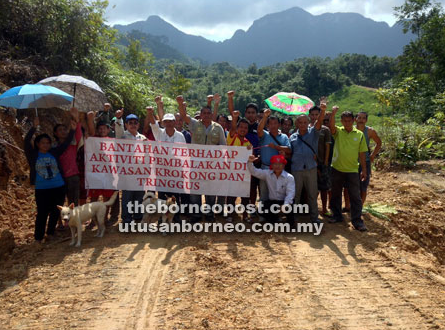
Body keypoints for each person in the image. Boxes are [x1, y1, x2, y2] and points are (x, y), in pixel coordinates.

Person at [25, 116, 76, 242]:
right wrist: (33, 127)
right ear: (37, 144)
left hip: (59, 187)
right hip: (42, 189)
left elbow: (66, 143)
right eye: (43, 143)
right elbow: (26, 142)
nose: (46, 145)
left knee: (54, 212)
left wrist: (73, 131)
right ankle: (38, 237)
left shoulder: (54, 152)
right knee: (42, 213)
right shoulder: (33, 155)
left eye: (48, 143)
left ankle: (51, 233)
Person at [177, 95, 226, 222]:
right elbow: (183, 116)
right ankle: (196, 215)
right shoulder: (194, 124)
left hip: (212, 165)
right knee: (195, 190)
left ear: (211, 115)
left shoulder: (218, 127)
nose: (206, 115)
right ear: (201, 114)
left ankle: (210, 214)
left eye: (208, 113)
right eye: (204, 113)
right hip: (195, 165)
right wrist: (180, 103)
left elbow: (223, 146)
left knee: (211, 190)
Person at [328, 107, 368, 231]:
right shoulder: (338, 132)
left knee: (355, 196)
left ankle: (357, 221)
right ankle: (337, 215)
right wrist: (333, 114)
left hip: (352, 170)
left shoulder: (359, 134)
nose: (347, 123)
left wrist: (364, 170)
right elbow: (331, 127)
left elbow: (362, 153)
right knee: (335, 194)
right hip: (337, 168)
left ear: (353, 120)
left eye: (349, 121)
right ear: (341, 121)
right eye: (344, 121)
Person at [290, 103, 326, 224]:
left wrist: (323, 110)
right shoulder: (292, 137)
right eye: (300, 122)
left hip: (311, 168)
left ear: (308, 122)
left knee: (312, 194)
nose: (303, 124)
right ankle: (294, 219)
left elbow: (319, 122)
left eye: (305, 122)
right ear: (297, 124)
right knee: (296, 195)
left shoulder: (313, 133)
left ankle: (314, 218)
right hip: (296, 169)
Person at [85, 112, 119, 225]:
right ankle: (93, 220)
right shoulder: (93, 139)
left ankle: (103, 219)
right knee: (94, 198)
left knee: (107, 198)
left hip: (109, 175)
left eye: (104, 128)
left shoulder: (112, 141)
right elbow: (90, 131)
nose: (102, 130)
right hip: (96, 174)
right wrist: (90, 119)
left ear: (108, 130)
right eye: (100, 128)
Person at [344, 111, 382, 209]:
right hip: (351, 161)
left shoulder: (369, 131)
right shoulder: (350, 129)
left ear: (366, 120)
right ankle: (347, 206)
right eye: (359, 118)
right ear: (355, 119)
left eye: (363, 118)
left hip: (365, 161)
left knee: (363, 186)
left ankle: (359, 208)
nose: (361, 120)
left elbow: (379, 142)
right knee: (348, 186)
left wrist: (373, 155)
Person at [257, 108, 291, 220]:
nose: (273, 125)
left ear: (279, 124)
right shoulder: (265, 135)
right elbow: (259, 130)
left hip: (279, 170)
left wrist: (277, 148)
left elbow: (288, 150)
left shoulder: (284, 137)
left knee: (277, 194)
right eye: (270, 123)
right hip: (265, 167)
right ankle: (262, 215)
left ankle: (275, 216)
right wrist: (265, 116)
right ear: (268, 125)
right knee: (264, 194)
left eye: (275, 123)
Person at [115, 111, 147, 224]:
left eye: (135, 122)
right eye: (130, 123)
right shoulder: (122, 136)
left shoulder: (142, 138)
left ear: (138, 125)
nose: (133, 124)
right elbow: (118, 129)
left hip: (140, 172)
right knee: (127, 197)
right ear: (126, 125)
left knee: (139, 196)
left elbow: (147, 156)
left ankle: (138, 216)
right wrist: (118, 118)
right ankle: (127, 219)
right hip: (126, 173)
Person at [225, 91, 252, 222]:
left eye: (245, 128)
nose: (242, 129)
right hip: (232, 172)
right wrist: (234, 118)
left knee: (245, 195)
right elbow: (233, 128)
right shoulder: (232, 137)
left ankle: (245, 215)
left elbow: (250, 159)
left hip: (244, 173)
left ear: (247, 130)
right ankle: (230, 214)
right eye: (241, 127)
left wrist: (252, 157)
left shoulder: (248, 143)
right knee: (231, 195)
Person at [247, 154, 295, 224]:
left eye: (280, 164)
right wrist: (250, 162)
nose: (278, 166)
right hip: (273, 202)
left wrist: (285, 204)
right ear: (272, 165)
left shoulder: (289, 177)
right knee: (261, 210)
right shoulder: (267, 174)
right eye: (275, 164)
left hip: (285, 201)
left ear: (284, 165)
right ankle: (275, 220)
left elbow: (291, 193)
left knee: (291, 208)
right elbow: (254, 172)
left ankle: (290, 224)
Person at [53, 107, 82, 207]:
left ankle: (74, 221)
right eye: (60, 130)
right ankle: (60, 222)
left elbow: (78, 136)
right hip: (59, 177)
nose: (63, 131)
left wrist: (77, 122)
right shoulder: (54, 147)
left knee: (74, 202)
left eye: (65, 129)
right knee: (59, 201)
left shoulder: (72, 145)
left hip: (73, 176)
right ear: (55, 134)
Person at [308, 105, 332, 217]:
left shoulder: (325, 129)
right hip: (309, 163)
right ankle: (312, 208)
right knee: (312, 187)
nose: (314, 117)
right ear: (309, 116)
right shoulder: (305, 128)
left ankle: (324, 208)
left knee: (324, 188)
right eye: (312, 115)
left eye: (316, 115)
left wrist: (326, 161)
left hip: (322, 162)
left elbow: (328, 146)